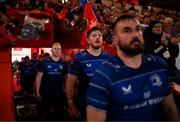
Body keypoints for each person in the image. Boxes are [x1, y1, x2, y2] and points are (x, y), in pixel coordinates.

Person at [86, 14, 180, 121]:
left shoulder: (159, 65)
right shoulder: (102, 77)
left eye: (138, 29)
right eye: (127, 30)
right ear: (115, 39)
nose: (135, 34)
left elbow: (170, 109)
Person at [65, 26, 112, 120]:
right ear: (88, 40)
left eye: (100, 36)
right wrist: (70, 103)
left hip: (106, 105)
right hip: (85, 105)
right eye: (94, 35)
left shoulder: (108, 57)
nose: (98, 37)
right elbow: (70, 82)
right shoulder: (79, 58)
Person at [35, 42, 68, 120]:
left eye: (59, 49)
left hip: (59, 93)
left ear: (61, 51)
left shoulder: (64, 64)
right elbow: (38, 78)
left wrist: (66, 91)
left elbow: (66, 79)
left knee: (59, 114)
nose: (57, 50)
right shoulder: (44, 62)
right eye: (55, 48)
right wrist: (37, 92)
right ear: (51, 50)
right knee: (46, 114)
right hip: (46, 93)